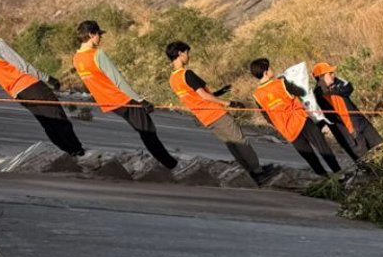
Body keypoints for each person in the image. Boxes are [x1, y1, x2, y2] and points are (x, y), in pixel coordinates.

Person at [0, 9, 84, 157]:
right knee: (58, 118)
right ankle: (78, 151)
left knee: (47, 123)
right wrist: (49, 79)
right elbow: (23, 66)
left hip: (18, 94)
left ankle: (69, 153)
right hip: (32, 86)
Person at [73, 20, 177, 169]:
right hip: (123, 99)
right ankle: (171, 164)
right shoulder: (97, 54)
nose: (100, 38)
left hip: (109, 103)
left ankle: (167, 162)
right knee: (148, 132)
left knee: (143, 131)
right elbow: (118, 80)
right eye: (98, 35)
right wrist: (140, 100)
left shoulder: (76, 58)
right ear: (91, 34)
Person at [165, 40, 265, 181]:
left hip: (205, 117)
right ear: (180, 53)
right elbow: (204, 96)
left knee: (232, 145)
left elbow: (195, 97)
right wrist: (229, 103)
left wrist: (219, 92)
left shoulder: (173, 79)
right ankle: (258, 171)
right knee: (240, 141)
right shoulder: (187, 74)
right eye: (187, 53)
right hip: (216, 113)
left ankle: (249, 172)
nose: (189, 56)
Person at [249, 58, 341, 174]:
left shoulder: (257, 95)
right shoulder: (281, 83)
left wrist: (279, 124)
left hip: (287, 130)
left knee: (309, 157)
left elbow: (267, 116)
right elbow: (301, 92)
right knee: (322, 147)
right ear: (266, 72)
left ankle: (325, 178)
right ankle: (338, 173)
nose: (272, 70)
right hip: (301, 120)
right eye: (270, 68)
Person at [312, 61, 383, 160]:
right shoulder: (316, 97)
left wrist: (333, 90)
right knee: (366, 161)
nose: (333, 75)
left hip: (361, 123)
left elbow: (349, 87)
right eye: (330, 73)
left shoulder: (337, 82)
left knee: (382, 147)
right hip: (348, 134)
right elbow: (319, 118)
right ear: (321, 77)